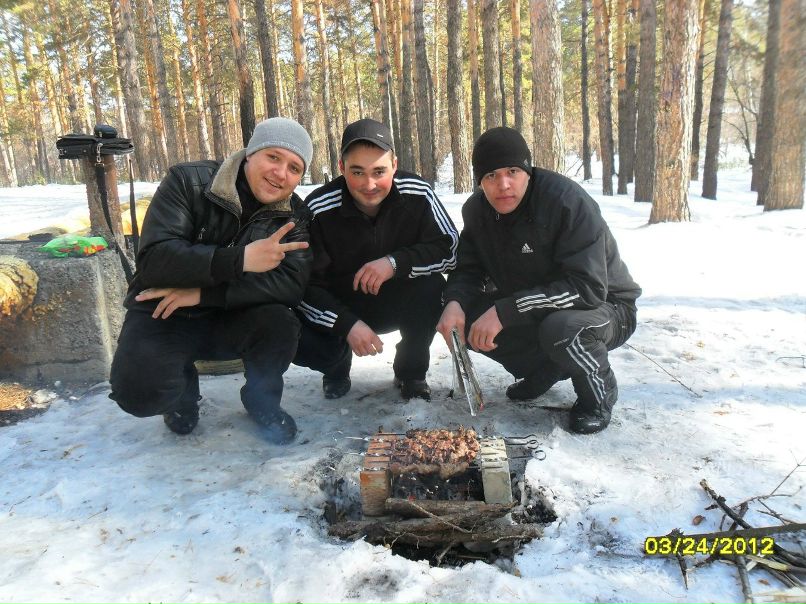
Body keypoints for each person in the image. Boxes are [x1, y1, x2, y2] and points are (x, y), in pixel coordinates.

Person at [109, 117, 314, 444]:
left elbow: (290, 284)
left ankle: (261, 401)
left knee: (281, 323)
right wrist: (241, 259)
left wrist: (204, 294)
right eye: (273, 157)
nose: (281, 173)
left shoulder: (294, 215)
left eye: (294, 167)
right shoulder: (188, 182)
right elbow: (154, 260)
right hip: (165, 309)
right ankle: (181, 394)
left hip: (230, 313)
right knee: (139, 394)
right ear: (251, 154)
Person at [437, 127, 641, 434]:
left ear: (528, 171)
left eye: (513, 171)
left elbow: (588, 288)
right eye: (491, 175)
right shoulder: (477, 211)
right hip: (538, 306)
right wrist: (454, 303)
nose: (503, 184)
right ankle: (545, 369)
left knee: (562, 329)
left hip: (607, 308)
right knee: (465, 316)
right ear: (479, 181)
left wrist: (505, 311)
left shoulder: (566, 202)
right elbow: (469, 269)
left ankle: (597, 398)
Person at [294, 118, 458, 401]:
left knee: (431, 288)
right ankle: (335, 368)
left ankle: (412, 372)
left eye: (379, 171)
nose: (369, 184)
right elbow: (304, 284)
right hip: (343, 305)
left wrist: (394, 263)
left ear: (394, 165)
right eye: (357, 172)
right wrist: (346, 324)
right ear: (342, 168)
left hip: (398, 298)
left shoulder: (418, 193)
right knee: (301, 315)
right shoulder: (319, 208)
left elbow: (451, 250)